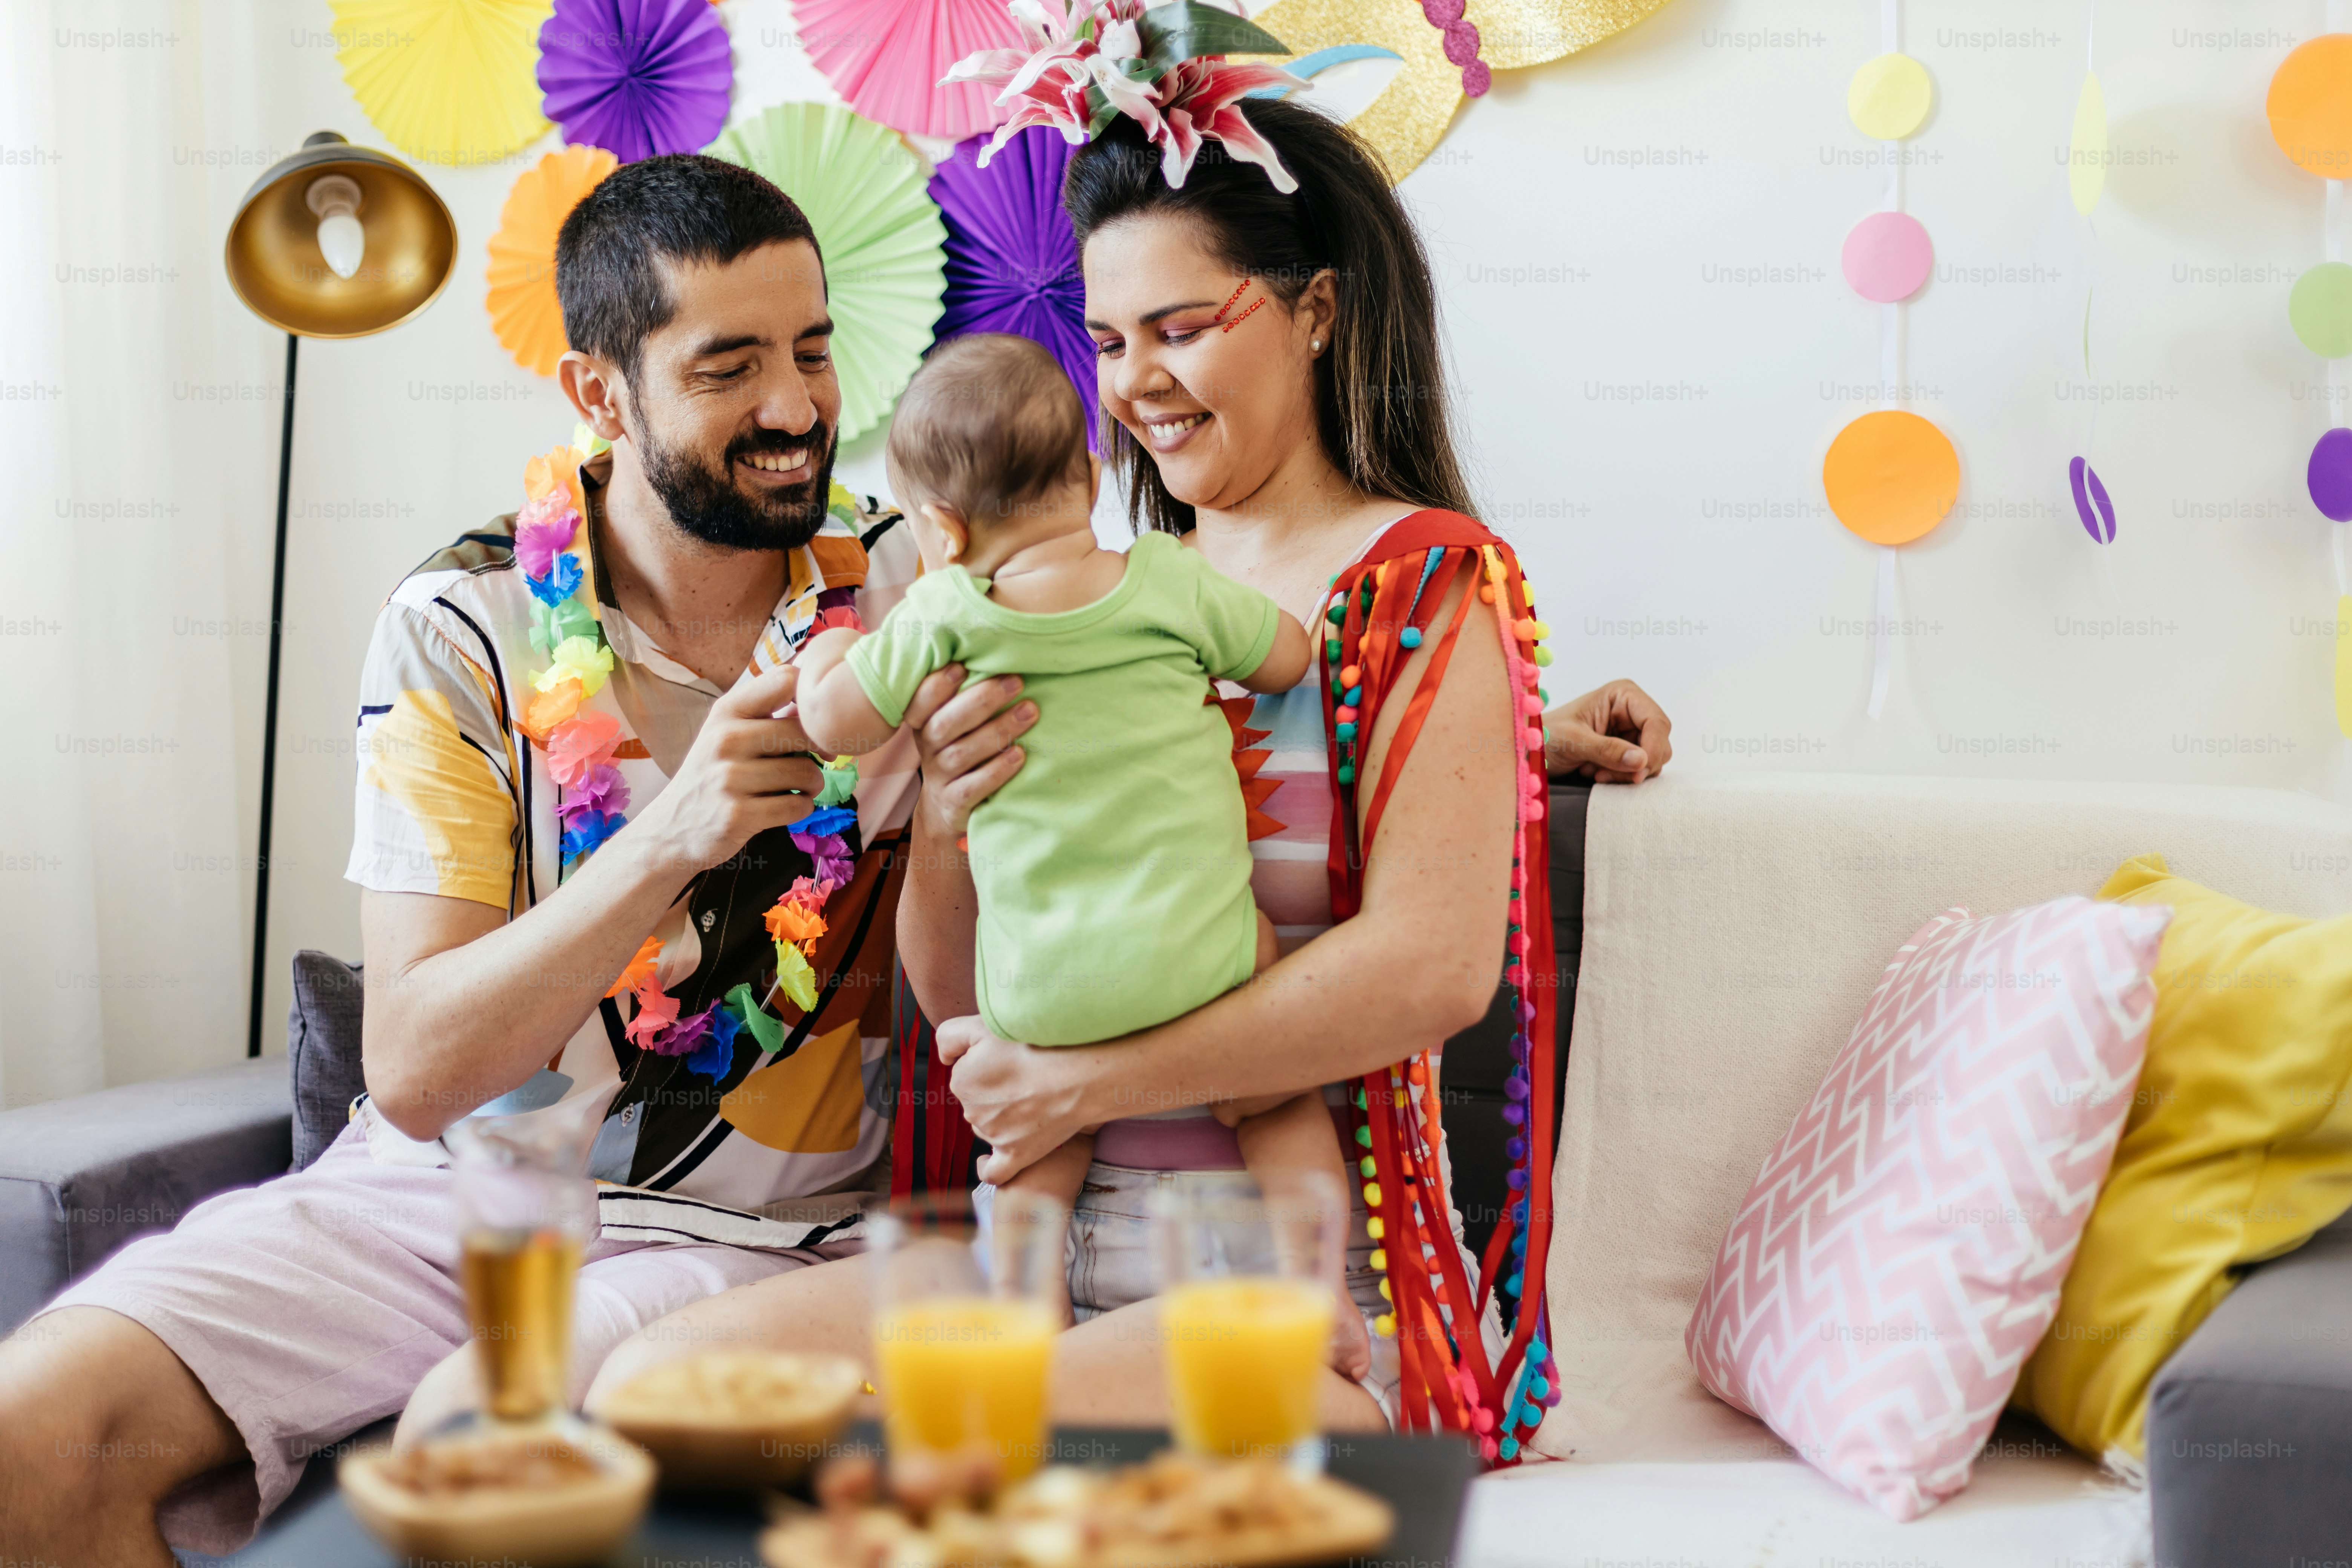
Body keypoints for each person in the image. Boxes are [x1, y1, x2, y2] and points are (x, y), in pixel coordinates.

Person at [585, 81, 1676, 1445]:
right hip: (1041, 1235)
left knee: (909, 1437)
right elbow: (957, 992)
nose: (1135, 383)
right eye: (1105, 340)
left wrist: (1093, 1082)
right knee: (652, 1393)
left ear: (1318, 312)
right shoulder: (1075, 593)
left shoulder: (1421, 589)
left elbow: (1430, 972)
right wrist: (945, 813)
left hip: (1295, 1280)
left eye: (1179, 329)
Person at [0, 154, 958, 1566]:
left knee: (477, 1466)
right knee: (36, 1427)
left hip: (760, 1242)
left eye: (814, 350)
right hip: (428, 1206)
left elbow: (994, 985)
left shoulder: (913, 600)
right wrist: (672, 840)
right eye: (728, 364)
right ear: (598, 393)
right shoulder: (466, 622)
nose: (795, 408)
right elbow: (417, 1064)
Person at [792, 334, 1363, 1370]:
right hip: (1208, 965)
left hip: (1045, 997)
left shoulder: (947, 610)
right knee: (1276, 1099)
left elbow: (835, 723)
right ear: (1094, 479)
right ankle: (1319, 1300)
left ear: (943, 529)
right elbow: (1289, 654)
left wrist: (830, 649)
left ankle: (1033, 1332)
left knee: (1031, 1163)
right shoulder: (1164, 580)